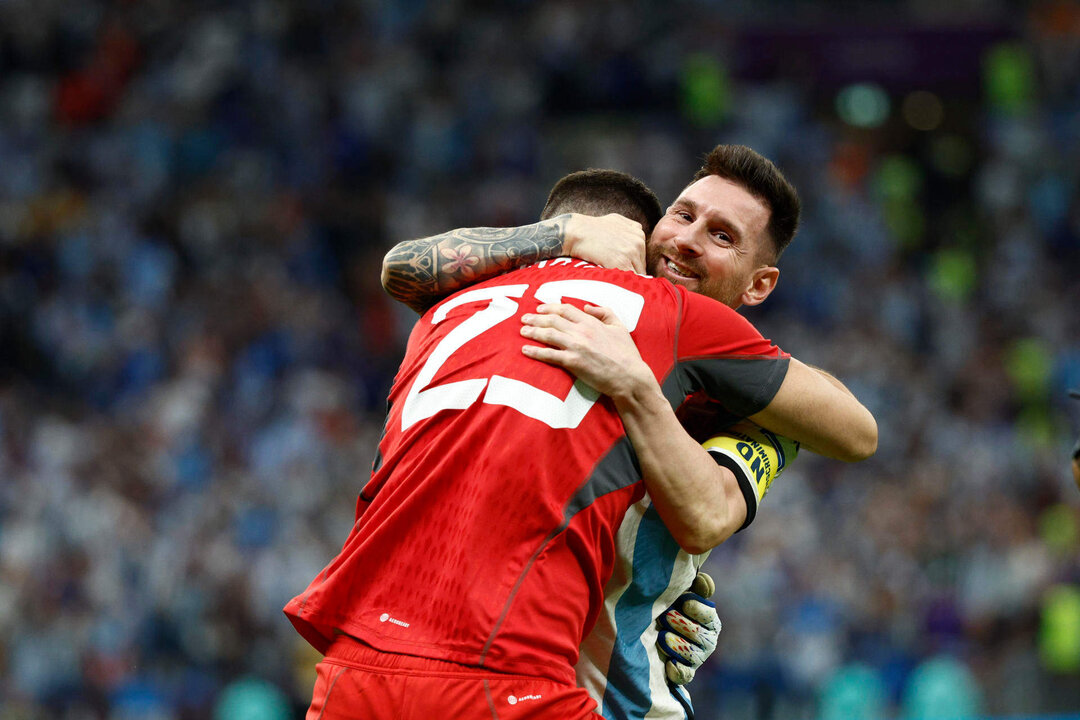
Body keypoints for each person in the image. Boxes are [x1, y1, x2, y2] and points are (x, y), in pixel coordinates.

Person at [286, 167, 875, 719]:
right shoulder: (667, 317)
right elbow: (846, 437)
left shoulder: (444, 309)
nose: (689, 240)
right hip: (516, 674)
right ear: (633, 244)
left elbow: (399, 267)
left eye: (721, 235)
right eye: (683, 215)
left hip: (356, 663)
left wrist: (665, 593)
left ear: (760, 282)